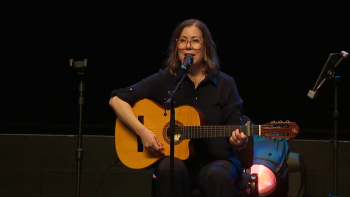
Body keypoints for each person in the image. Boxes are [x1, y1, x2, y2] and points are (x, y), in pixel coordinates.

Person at [109, 19, 248, 197]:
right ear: (177, 46)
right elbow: (116, 100)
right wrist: (142, 132)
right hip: (178, 163)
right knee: (169, 169)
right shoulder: (166, 80)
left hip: (218, 161)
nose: (188, 46)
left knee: (217, 176)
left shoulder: (225, 84)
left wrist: (239, 139)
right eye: (183, 40)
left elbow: (236, 124)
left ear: (206, 47)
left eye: (195, 41)